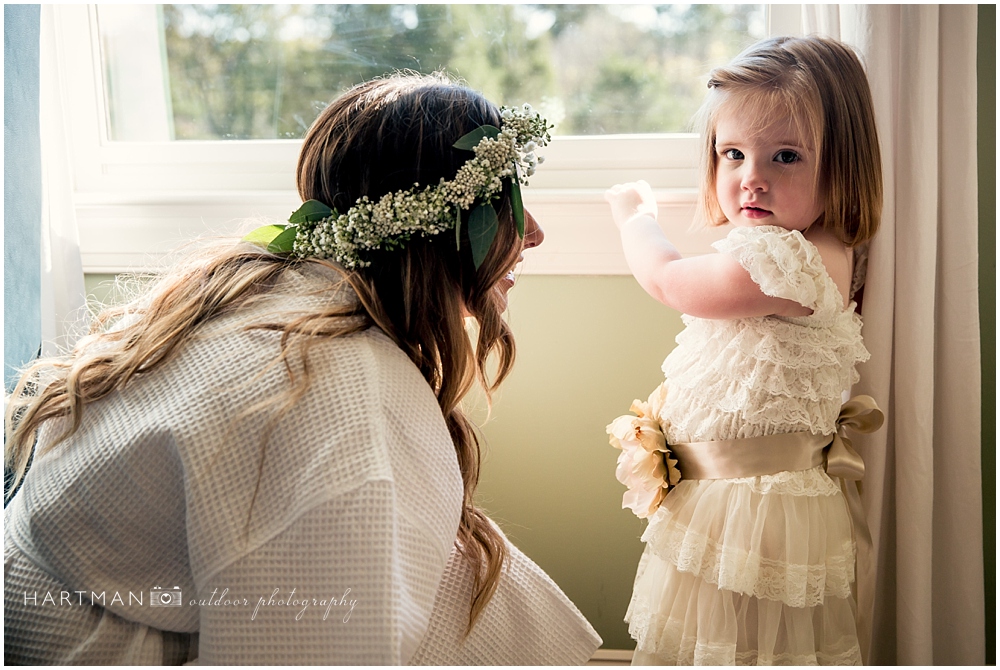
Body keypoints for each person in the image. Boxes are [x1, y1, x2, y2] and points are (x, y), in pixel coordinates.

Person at [4, 72, 601, 664]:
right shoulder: (345, 397)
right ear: (440, 224)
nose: (534, 232)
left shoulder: (272, 292)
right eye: (508, 202)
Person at [604, 36, 884, 665]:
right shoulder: (829, 248)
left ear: (842, 166)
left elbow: (671, 281)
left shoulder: (780, 258)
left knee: (727, 644)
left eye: (785, 156)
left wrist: (635, 219)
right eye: (731, 153)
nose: (750, 178)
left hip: (744, 505)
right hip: (763, 498)